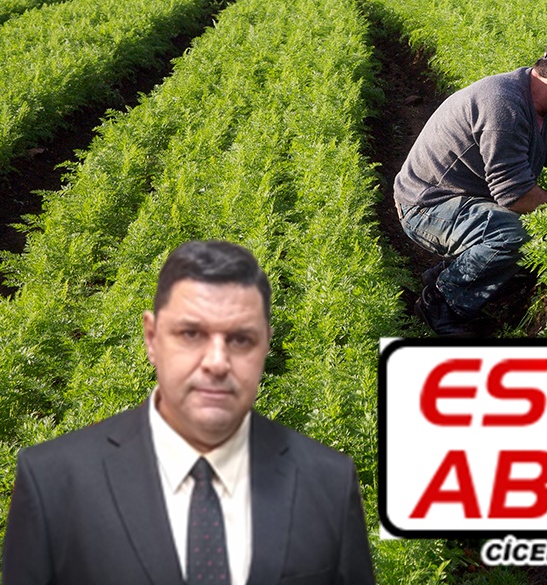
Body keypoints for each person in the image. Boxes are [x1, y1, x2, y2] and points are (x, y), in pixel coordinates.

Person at [2, 240, 377, 585]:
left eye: (241, 338)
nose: (216, 362)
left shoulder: (330, 481)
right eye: (191, 335)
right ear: (151, 338)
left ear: (266, 344)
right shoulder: (51, 482)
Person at [394, 37, 547, 336]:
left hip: (470, 200)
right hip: (426, 206)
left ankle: (449, 275)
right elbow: (514, 195)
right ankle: (442, 302)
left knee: (538, 242)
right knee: (517, 233)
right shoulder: (503, 105)